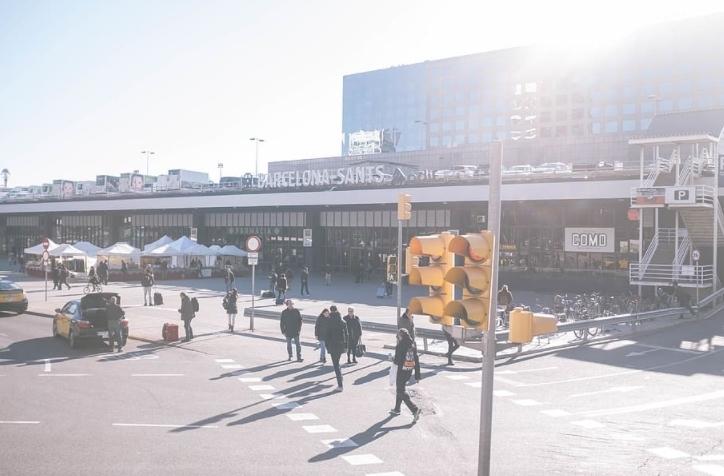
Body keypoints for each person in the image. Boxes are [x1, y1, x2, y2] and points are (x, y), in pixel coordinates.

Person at [390, 328, 422, 422]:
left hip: (402, 370)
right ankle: (397, 408)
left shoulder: (400, 345)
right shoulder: (412, 344)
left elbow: (397, 361)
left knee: (400, 391)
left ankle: (414, 409)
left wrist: (392, 358)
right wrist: (417, 376)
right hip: (409, 370)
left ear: (401, 336)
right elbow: (416, 360)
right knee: (400, 388)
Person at [324, 305, 347, 391]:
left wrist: (327, 346)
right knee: (337, 363)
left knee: (336, 365)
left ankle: (340, 385)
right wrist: (346, 346)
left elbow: (326, 335)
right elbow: (346, 335)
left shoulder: (329, 321)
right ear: (337, 311)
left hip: (332, 346)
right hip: (341, 345)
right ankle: (340, 377)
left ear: (330, 311)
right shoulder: (342, 321)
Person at [397, 308, 421, 380]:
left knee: (405, 359)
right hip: (409, 343)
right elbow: (408, 332)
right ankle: (415, 376)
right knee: (414, 359)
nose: (412, 315)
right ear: (407, 313)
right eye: (411, 314)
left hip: (405, 342)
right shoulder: (404, 321)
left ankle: (414, 375)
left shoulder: (403, 319)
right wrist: (411, 322)